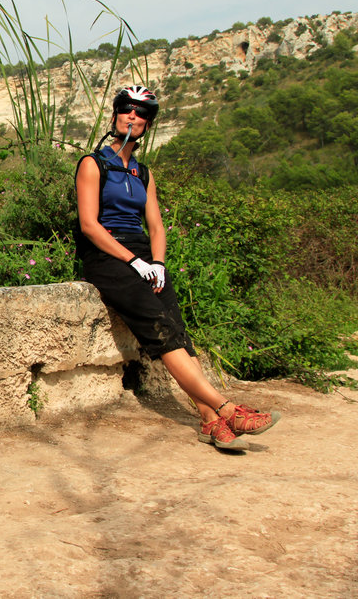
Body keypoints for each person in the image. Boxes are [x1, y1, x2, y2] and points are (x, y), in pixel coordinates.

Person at [74, 85, 280, 451]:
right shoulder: (94, 163)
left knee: (177, 332)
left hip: (142, 256)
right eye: (127, 110)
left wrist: (158, 263)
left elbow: (155, 225)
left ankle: (208, 421)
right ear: (116, 114)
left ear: (147, 125)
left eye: (142, 114)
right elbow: (89, 225)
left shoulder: (143, 173)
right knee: (159, 332)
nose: (133, 116)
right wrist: (133, 261)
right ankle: (226, 409)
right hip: (107, 257)